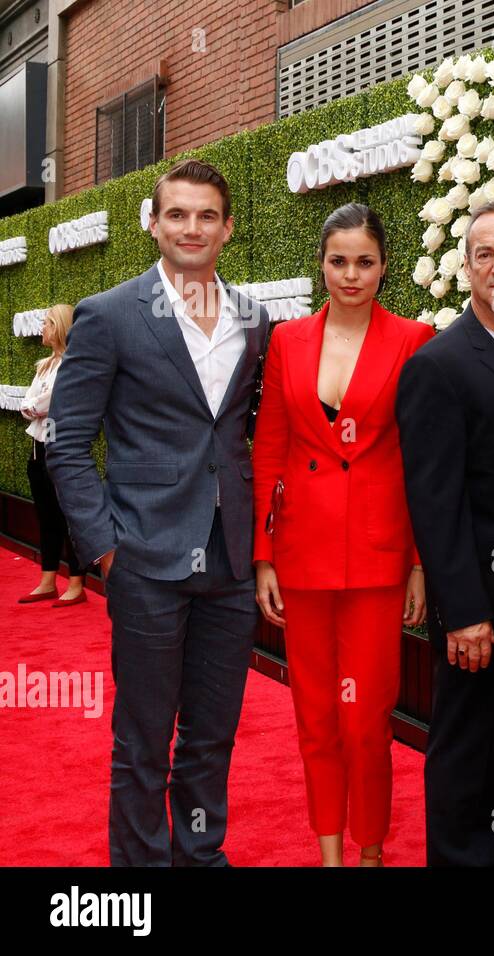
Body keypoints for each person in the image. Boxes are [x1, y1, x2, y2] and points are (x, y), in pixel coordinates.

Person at [46, 159, 271, 866]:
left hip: (228, 560)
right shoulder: (109, 315)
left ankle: (199, 855)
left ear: (228, 228)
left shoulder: (252, 318)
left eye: (207, 215)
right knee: (143, 736)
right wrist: (106, 549)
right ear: (153, 223)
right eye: (177, 214)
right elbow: (68, 444)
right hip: (145, 556)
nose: (192, 228)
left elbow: (242, 434)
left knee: (212, 732)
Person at [252, 203, 430, 867]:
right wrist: (263, 555)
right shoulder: (289, 341)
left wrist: (417, 564)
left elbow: (423, 461)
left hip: (379, 559)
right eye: (338, 261)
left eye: (364, 261)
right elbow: (268, 449)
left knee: (366, 720)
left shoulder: (414, 338)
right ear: (321, 264)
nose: (350, 274)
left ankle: (372, 850)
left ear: (384, 266)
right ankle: (330, 852)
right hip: (301, 557)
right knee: (317, 719)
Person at [397, 201, 494, 867]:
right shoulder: (440, 364)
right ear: (465, 267)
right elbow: (435, 502)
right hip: (479, 605)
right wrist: (461, 613)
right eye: (484, 253)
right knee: (468, 749)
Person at [19, 304, 87, 607]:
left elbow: (47, 402)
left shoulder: (73, 364)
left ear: (59, 327)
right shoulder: (44, 365)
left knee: (68, 516)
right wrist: (33, 406)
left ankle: (76, 583)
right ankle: (48, 580)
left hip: (61, 448)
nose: (42, 329)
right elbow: (28, 403)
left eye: (46, 323)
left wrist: (33, 406)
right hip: (37, 448)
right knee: (46, 516)